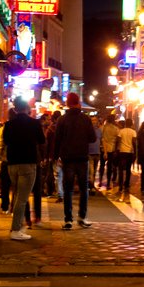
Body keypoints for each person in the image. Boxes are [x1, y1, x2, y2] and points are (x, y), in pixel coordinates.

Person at [2, 97, 45, 241]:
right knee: (22, 198)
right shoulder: (34, 123)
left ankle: (19, 225)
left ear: (15, 108)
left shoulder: (8, 124)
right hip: (28, 163)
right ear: (27, 107)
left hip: (12, 163)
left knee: (17, 196)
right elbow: (42, 141)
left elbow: (6, 141)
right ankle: (15, 229)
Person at [53, 92, 96, 229]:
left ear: (67, 104)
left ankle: (68, 219)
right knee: (84, 189)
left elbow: (57, 140)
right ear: (78, 102)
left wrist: (55, 157)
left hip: (67, 158)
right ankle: (82, 217)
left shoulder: (62, 120)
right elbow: (93, 138)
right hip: (82, 158)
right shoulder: (85, 119)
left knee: (68, 189)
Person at [0, 107, 16, 213]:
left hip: (6, 160)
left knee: (5, 185)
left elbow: (0, 144)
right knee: (16, 185)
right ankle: (14, 205)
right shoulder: (20, 128)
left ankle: (5, 206)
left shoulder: (4, 128)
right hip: (17, 161)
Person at [115, 118, 138, 200]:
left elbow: (118, 141)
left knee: (120, 169)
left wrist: (116, 150)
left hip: (122, 151)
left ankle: (120, 185)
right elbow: (134, 142)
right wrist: (135, 152)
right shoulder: (133, 132)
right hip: (130, 152)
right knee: (128, 169)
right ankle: (126, 184)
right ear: (131, 124)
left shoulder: (121, 131)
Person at [100, 116, 119, 189]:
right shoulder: (116, 129)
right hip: (112, 149)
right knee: (109, 167)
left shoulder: (103, 128)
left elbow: (101, 138)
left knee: (102, 165)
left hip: (103, 149)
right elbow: (118, 139)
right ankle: (108, 183)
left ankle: (101, 181)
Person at [88, 115, 101, 194]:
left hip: (97, 153)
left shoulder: (99, 130)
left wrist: (105, 151)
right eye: (92, 120)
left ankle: (91, 186)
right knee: (91, 171)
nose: (94, 122)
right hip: (89, 153)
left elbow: (102, 140)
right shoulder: (87, 130)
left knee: (95, 171)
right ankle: (91, 187)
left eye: (95, 120)